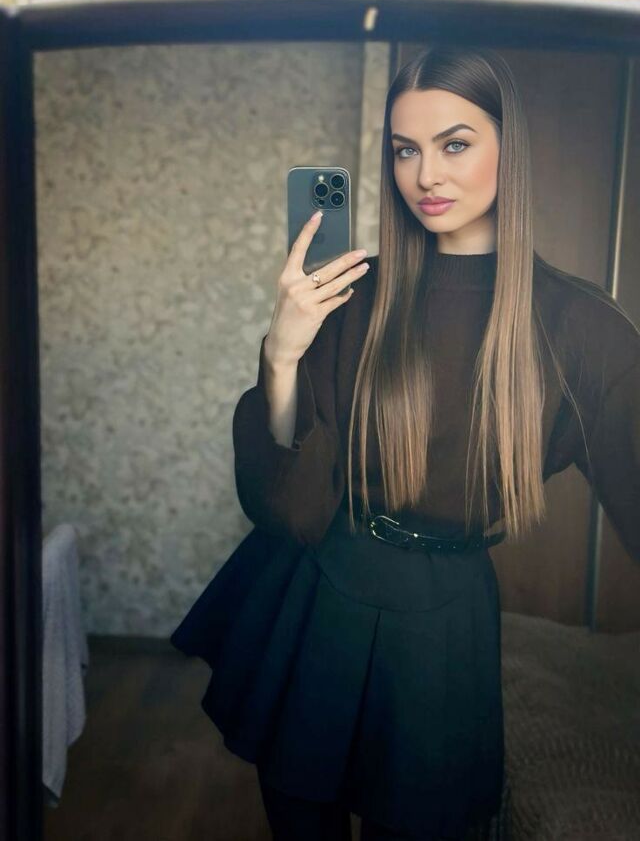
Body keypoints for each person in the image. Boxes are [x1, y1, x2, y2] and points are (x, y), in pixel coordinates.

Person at [170, 45, 640, 840]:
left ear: (509, 149)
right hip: (319, 590)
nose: (426, 174)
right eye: (404, 149)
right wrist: (281, 354)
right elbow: (290, 507)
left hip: (445, 622)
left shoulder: (583, 328)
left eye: (454, 143)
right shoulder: (352, 295)